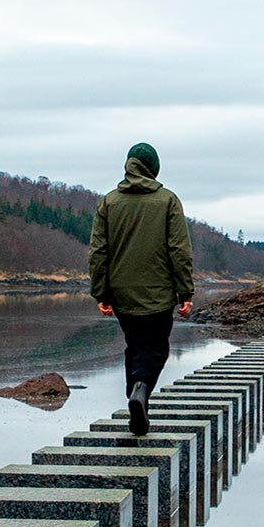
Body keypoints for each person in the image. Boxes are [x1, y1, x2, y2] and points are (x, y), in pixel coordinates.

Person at [89, 142, 194, 435]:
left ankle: (138, 405)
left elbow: (98, 252)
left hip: (121, 293)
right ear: (153, 168)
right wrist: (185, 292)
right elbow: (179, 251)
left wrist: (101, 292)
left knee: (134, 347)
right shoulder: (168, 201)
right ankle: (140, 390)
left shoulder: (109, 202)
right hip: (159, 294)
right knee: (155, 349)